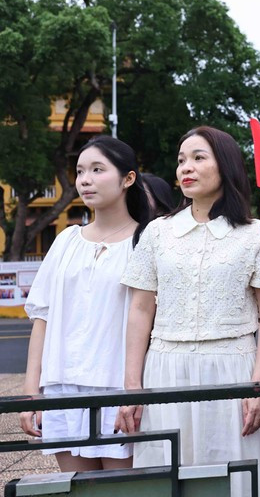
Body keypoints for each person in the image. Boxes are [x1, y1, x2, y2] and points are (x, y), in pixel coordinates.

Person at [115, 126, 260, 497]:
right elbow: (140, 309)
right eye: (181, 160)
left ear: (225, 166)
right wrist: (133, 386)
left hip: (232, 368)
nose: (186, 168)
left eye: (198, 158)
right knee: (169, 475)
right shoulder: (157, 233)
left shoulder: (256, 234)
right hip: (165, 368)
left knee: (234, 476)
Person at [20, 136, 151, 471]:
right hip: (64, 388)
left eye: (97, 169)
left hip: (117, 387)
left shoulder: (146, 241)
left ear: (128, 178)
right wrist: (31, 393)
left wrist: (132, 391)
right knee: (80, 489)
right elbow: (42, 317)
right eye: (80, 171)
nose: (85, 180)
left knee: (124, 491)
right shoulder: (66, 241)